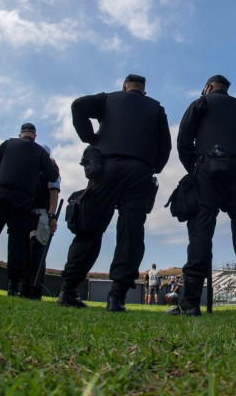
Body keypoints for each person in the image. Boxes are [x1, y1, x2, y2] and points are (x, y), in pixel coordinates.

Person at [58, 74, 171, 312]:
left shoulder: (108, 99)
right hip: (139, 171)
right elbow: (165, 145)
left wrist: (90, 138)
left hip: (106, 168)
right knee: (131, 232)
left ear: (124, 87)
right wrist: (153, 167)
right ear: (144, 91)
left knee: (90, 227)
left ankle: (68, 290)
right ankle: (116, 297)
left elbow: (78, 105)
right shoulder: (155, 108)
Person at [168, 74, 236, 316]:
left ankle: (191, 303)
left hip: (206, 169)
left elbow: (183, 142)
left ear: (209, 87)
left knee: (201, 231)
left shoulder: (200, 103)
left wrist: (195, 167)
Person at [0, 123, 58, 294]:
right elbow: (53, 176)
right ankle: (12, 287)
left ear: (20, 135)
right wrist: (48, 163)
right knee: (17, 243)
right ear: (35, 136)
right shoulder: (40, 152)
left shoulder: (7, 144)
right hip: (23, 201)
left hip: (0, 195)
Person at [22, 144, 60, 300]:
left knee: (37, 253)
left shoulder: (51, 170)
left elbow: (54, 194)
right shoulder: (30, 168)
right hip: (26, 213)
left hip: (42, 214)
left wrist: (51, 216)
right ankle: (24, 289)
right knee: (24, 253)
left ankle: (35, 291)